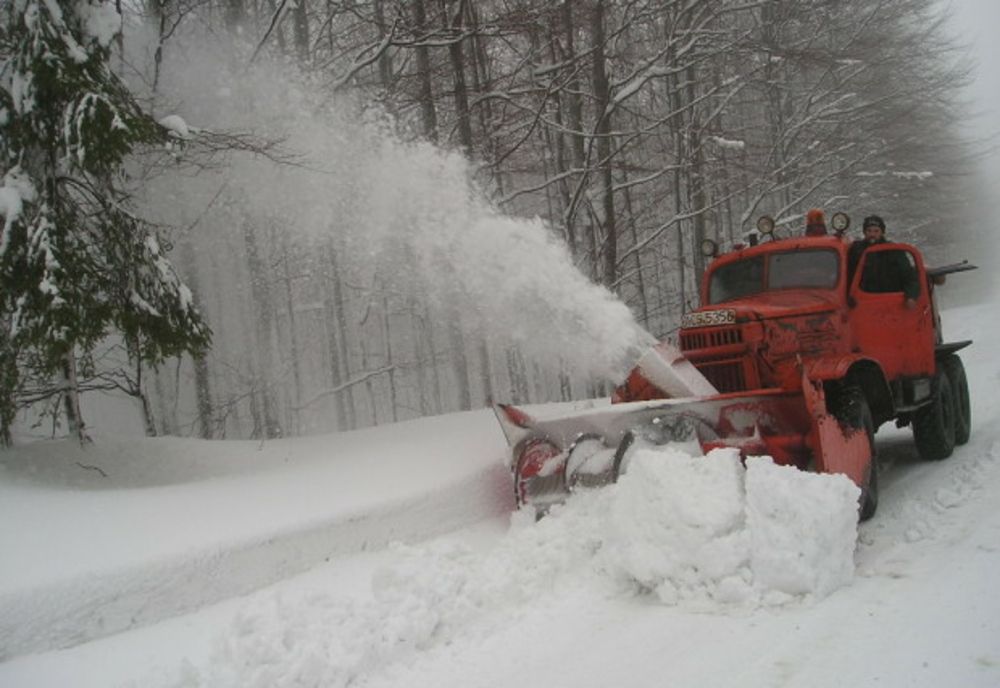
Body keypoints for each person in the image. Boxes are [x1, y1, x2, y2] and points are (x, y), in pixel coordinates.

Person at [847, 215, 919, 308]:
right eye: (869, 231)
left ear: (882, 232)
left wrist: (911, 296)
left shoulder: (893, 251)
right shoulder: (856, 251)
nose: (872, 234)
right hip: (863, 302)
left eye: (876, 231)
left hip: (891, 302)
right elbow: (847, 274)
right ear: (864, 232)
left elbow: (909, 276)